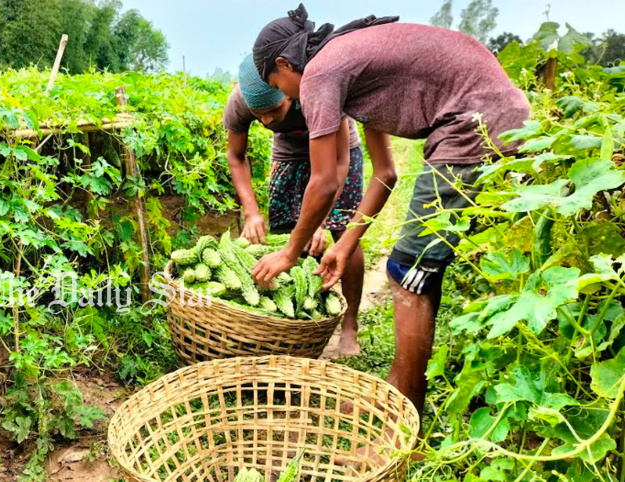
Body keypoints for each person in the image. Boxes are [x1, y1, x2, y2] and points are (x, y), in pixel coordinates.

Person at [249, 4, 531, 420]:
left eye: (281, 86)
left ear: (284, 63)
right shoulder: (351, 65)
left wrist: (289, 253)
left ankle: (403, 416)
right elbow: (385, 172)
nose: (289, 98)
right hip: (504, 116)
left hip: (471, 125)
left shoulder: (322, 72)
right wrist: (345, 244)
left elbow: (325, 180)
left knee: (407, 270)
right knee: (436, 266)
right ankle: (409, 390)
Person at [224, 54, 365, 355]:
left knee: (344, 232)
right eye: (258, 114)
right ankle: (299, 324)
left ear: (288, 91)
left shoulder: (316, 89)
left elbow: (338, 164)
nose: (266, 121)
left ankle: (350, 323)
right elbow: (236, 157)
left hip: (340, 150)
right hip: (289, 154)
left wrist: (323, 221)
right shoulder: (239, 100)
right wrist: (251, 212)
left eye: (274, 110)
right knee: (289, 237)